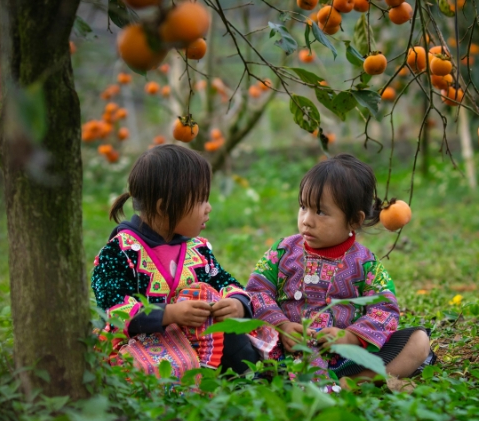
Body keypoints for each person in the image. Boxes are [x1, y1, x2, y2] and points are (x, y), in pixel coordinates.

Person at [246, 154, 434, 381]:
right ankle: (300, 378)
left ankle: (354, 381)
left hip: (345, 359)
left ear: (354, 220)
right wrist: (282, 324)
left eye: (321, 212)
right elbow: (257, 290)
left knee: (418, 342)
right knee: (233, 329)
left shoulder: (366, 264)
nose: (307, 219)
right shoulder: (283, 251)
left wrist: (351, 337)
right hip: (283, 352)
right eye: (303, 207)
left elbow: (385, 308)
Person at [91, 145, 259, 378]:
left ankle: (252, 381)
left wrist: (236, 302)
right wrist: (169, 314)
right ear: (163, 207)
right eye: (201, 200)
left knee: (233, 333)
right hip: (146, 344)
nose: (208, 208)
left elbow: (223, 280)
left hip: (198, 341)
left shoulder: (196, 248)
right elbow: (112, 307)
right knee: (143, 369)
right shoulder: (120, 252)